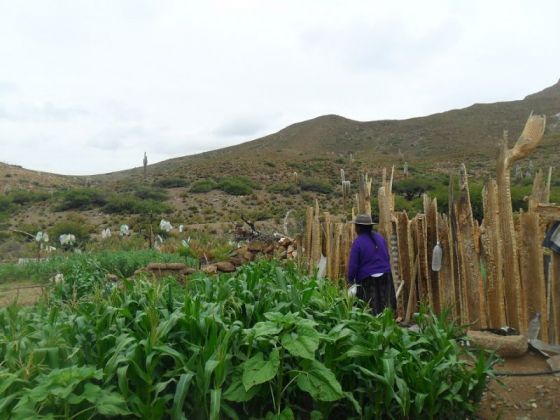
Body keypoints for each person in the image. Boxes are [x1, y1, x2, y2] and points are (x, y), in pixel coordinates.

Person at [347, 213, 396, 315]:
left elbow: (353, 265)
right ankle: (387, 327)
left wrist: (350, 279)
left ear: (359, 228)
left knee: (370, 308)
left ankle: (372, 329)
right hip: (386, 276)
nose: (355, 228)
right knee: (385, 305)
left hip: (367, 279)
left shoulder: (358, 242)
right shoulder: (380, 238)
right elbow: (387, 256)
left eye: (356, 226)